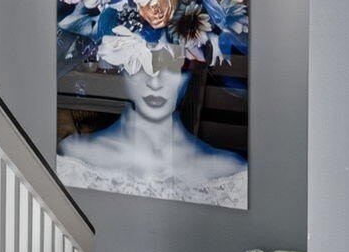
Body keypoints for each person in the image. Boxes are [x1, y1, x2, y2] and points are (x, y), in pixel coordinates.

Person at [56, 34, 245, 206]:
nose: (155, 82)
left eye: (170, 64)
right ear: (121, 68)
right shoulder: (77, 157)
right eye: (140, 62)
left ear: (187, 73)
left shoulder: (228, 173)